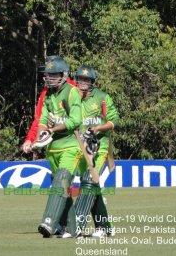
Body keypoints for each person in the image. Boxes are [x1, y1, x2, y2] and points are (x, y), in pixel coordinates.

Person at [35, 57, 82, 238]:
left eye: (53, 75)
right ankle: (71, 228)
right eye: (48, 75)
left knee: (61, 181)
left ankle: (49, 222)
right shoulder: (48, 94)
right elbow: (43, 120)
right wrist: (40, 137)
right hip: (53, 149)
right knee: (63, 189)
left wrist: (52, 130)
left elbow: (75, 120)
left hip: (71, 145)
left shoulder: (72, 92)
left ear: (63, 75)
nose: (49, 78)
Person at [73, 65, 119, 238]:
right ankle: (107, 227)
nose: (83, 83)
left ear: (92, 82)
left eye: (86, 80)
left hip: (99, 146)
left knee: (89, 181)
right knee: (94, 186)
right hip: (79, 148)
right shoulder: (72, 97)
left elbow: (114, 120)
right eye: (80, 79)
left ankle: (78, 223)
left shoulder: (102, 97)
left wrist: (98, 128)